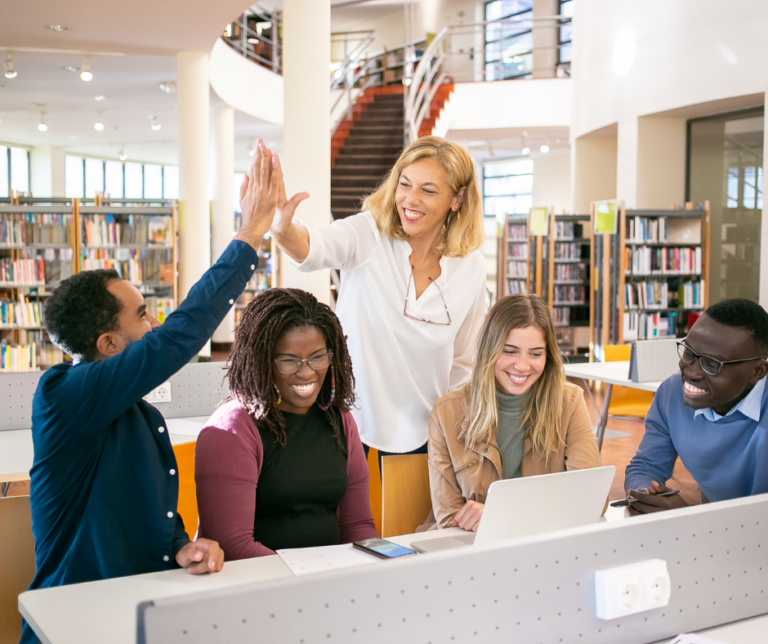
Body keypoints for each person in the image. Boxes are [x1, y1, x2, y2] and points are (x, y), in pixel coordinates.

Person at [20, 141, 279, 644]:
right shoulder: (64, 395)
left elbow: (142, 506)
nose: (154, 323)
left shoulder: (133, 411)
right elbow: (177, 338)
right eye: (142, 315)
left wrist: (180, 546)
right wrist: (248, 235)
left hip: (137, 609)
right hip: (74, 621)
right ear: (108, 344)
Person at [269, 136, 487, 458]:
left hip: (426, 434)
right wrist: (283, 230)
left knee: (410, 511)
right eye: (405, 184)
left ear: (457, 199)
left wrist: (452, 433)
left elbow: (464, 362)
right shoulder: (368, 234)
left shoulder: (471, 267)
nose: (410, 200)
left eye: (428, 190)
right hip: (348, 424)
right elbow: (316, 246)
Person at [195, 288, 377, 558]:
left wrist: (382, 562)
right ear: (262, 361)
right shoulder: (232, 429)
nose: (306, 372)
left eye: (318, 357)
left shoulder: (339, 419)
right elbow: (232, 546)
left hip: (328, 579)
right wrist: (310, 578)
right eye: (289, 361)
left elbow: (357, 524)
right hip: (261, 586)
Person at [424, 294, 604, 531]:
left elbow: (592, 499)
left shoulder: (569, 402)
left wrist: (501, 515)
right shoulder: (446, 413)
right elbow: (450, 520)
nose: (522, 366)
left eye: (536, 353)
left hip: (543, 543)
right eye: (510, 351)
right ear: (490, 350)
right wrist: (536, 513)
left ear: (548, 356)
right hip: (471, 549)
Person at [624, 298, 768, 515]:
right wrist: (646, 494)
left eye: (712, 364)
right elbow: (646, 466)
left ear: (757, 372)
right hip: (714, 538)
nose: (690, 372)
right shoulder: (672, 391)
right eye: (689, 353)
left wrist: (689, 518)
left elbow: (759, 523)